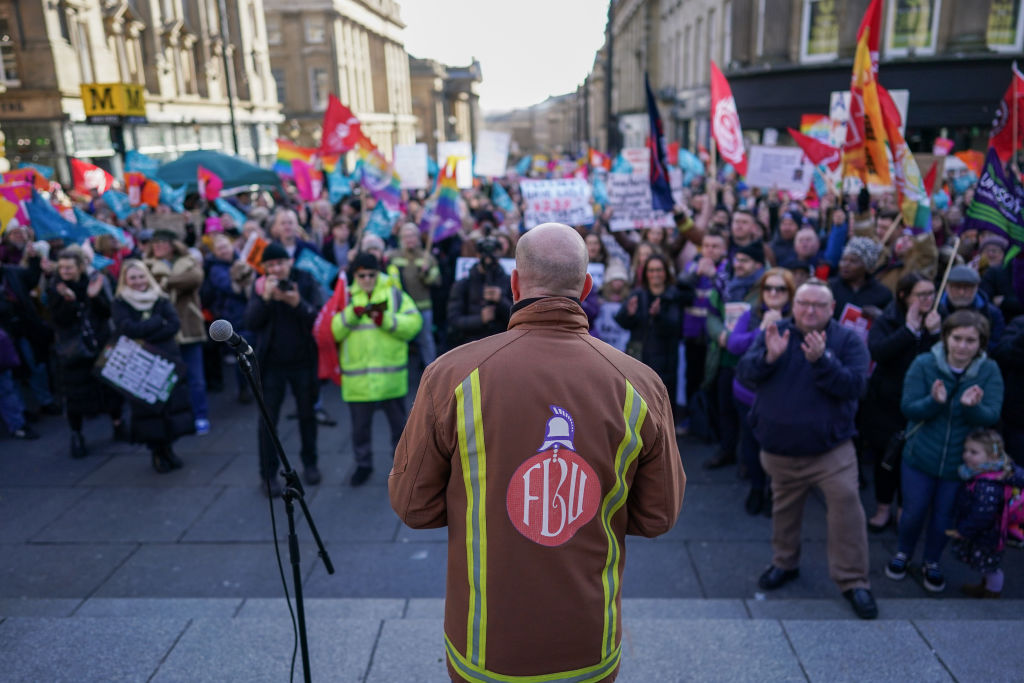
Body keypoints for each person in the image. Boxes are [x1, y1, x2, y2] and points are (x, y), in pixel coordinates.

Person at [389, 222, 685, 683]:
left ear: (514, 284)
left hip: (484, 647)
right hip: (589, 645)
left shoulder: (452, 376)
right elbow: (658, 516)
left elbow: (413, 507)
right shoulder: (640, 385)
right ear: (586, 288)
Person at [737, 279, 877, 619]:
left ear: (831, 309)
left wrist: (822, 361)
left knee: (846, 509)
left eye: (818, 305)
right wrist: (769, 357)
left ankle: (853, 580)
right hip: (779, 450)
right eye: (803, 303)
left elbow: (856, 387)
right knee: (784, 510)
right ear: (793, 305)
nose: (809, 310)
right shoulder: (774, 331)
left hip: (831, 452)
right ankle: (785, 563)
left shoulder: (847, 340)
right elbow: (744, 373)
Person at [886, 310, 1003, 593]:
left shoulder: (989, 371)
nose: (963, 346)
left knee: (943, 517)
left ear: (980, 343)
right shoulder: (924, 363)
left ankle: (932, 561)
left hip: (959, 463)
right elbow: (908, 408)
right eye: (957, 338)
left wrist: (971, 407)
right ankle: (903, 552)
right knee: (913, 512)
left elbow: (992, 415)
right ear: (946, 338)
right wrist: (933, 402)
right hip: (920, 456)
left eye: (971, 341)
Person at [332, 252, 421, 486]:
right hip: (358, 382)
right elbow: (332, 331)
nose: (367, 279)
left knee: (400, 431)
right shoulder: (345, 295)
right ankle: (363, 465)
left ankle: (402, 469)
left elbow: (414, 324)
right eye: (362, 275)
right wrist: (353, 313)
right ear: (355, 275)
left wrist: (386, 320)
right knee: (360, 431)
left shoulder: (394, 294)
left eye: (372, 274)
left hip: (391, 379)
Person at [861, 273, 942, 532]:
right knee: (886, 458)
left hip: (922, 402)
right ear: (904, 296)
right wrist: (908, 331)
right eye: (921, 295)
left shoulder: (939, 319)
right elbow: (879, 352)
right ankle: (883, 507)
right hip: (887, 402)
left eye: (931, 293)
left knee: (912, 459)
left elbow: (946, 360)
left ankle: (903, 509)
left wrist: (936, 333)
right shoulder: (888, 319)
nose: (928, 299)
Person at [243, 243, 323, 497]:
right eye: (271, 265)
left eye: (281, 263)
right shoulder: (260, 286)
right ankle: (268, 475)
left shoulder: (306, 280)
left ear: (290, 262)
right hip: (271, 365)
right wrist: (266, 299)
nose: (277, 269)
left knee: (307, 415)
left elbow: (318, 318)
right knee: (267, 421)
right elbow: (250, 322)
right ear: (265, 268)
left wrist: (297, 302)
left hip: (303, 361)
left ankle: (310, 464)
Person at [111, 260, 194, 472]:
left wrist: (145, 331)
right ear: (126, 281)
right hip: (140, 365)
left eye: (141, 276)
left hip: (167, 360)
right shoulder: (120, 302)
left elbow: (173, 325)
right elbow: (127, 329)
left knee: (169, 408)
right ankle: (157, 453)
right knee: (148, 411)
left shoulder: (161, 297)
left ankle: (168, 449)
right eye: (133, 278)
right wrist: (157, 322)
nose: (138, 281)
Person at [726, 268, 794, 515]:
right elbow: (734, 345)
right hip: (748, 395)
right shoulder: (751, 315)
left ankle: (775, 492)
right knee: (751, 445)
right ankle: (756, 488)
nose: (773, 293)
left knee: (776, 449)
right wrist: (762, 330)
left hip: (780, 399)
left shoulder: (799, 318)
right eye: (769, 288)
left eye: (780, 289)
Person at [48, 246, 125, 458]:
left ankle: (118, 425)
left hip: (98, 344)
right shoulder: (56, 287)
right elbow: (59, 320)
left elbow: (106, 311)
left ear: (80, 267)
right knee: (75, 394)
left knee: (109, 387)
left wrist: (93, 297)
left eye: (69, 267)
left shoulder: (94, 282)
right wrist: (69, 302)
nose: (65, 271)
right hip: (72, 350)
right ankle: (77, 435)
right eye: (61, 267)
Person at [145, 229, 209, 434]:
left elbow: (195, 278)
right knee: (169, 379)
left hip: (189, 327)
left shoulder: (188, 261)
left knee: (196, 379)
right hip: (163, 331)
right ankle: (176, 419)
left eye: (163, 242)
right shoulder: (146, 265)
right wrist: (175, 282)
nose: (159, 247)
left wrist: (166, 281)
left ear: (173, 244)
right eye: (155, 243)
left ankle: (200, 416)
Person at [947, 429, 1024, 599]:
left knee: (990, 567)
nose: (966, 455)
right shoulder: (991, 474)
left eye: (974, 452)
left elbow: (983, 514)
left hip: (988, 535)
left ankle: (991, 594)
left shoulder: (986, 483)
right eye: (965, 450)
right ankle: (985, 586)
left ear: (992, 456)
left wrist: (964, 530)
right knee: (985, 564)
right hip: (989, 533)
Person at [614, 253, 684, 408]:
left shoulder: (673, 295)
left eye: (659, 270)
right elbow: (621, 321)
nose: (655, 274)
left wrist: (658, 315)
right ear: (646, 273)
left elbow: (675, 327)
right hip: (640, 356)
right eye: (651, 270)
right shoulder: (638, 294)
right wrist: (629, 314)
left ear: (665, 273)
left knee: (662, 402)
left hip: (666, 359)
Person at [387, 223, 440, 368]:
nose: (409, 239)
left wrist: (426, 272)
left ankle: (432, 370)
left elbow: (436, 281)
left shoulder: (427, 257)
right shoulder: (393, 256)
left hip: (422, 305)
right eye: (405, 236)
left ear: (418, 238)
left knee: (426, 340)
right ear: (400, 239)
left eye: (412, 236)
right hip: (400, 307)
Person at [446, 235, 513, 346]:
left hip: (502, 344)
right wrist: (480, 319)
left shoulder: (508, 281)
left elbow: (518, 316)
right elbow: (453, 320)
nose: (489, 259)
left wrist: (501, 300)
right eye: (484, 253)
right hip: (473, 344)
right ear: (477, 255)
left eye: (494, 253)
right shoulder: (463, 284)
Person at [937, 265, 1005, 350]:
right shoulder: (935, 310)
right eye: (957, 287)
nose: (961, 292)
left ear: (976, 288)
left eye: (967, 287)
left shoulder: (992, 314)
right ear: (947, 287)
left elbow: (996, 344)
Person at [829, 237, 892, 322]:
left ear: (867, 266)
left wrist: (880, 316)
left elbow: (890, 324)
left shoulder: (883, 294)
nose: (846, 265)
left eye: (853, 261)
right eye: (844, 260)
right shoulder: (830, 287)